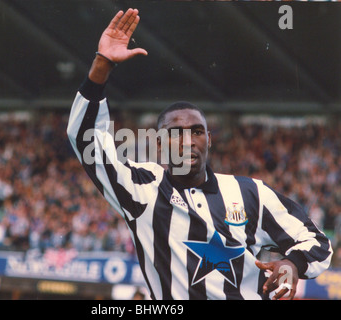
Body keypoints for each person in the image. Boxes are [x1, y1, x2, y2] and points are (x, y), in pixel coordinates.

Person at [67, 8, 333, 300]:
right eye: (175, 133)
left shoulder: (250, 193)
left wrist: (292, 264)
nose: (187, 141)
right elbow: (86, 140)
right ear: (160, 144)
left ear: (208, 139)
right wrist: (102, 65)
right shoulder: (141, 189)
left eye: (196, 131)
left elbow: (317, 241)